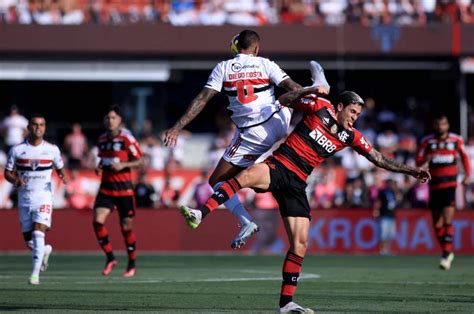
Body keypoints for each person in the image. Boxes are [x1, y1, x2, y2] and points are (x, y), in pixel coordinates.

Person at [180, 88, 430, 313]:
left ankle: (286, 303)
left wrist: (411, 171)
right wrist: (308, 90)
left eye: (358, 115)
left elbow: (379, 159)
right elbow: (284, 99)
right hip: (279, 166)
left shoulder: (351, 136)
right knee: (245, 176)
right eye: (353, 112)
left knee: (300, 244)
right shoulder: (319, 106)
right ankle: (202, 213)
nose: (355, 118)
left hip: (298, 184)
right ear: (340, 107)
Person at [163, 29, 330, 249]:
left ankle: (245, 221)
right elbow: (293, 89)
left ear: (236, 47)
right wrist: (307, 92)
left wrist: (177, 127)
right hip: (279, 122)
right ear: (256, 49)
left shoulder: (223, 68)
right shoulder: (265, 63)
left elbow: (202, 100)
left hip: (253, 134)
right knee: (289, 98)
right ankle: (317, 91)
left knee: (217, 181)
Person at [4, 113, 67, 285]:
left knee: (39, 231)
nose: (38, 127)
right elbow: (7, 173)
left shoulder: (52, 149)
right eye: (35, 124)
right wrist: (15, 180)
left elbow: (60, 167)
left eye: (42, 124)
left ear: (45, 128)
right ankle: (45, 250)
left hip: (44, 197)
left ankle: (35, 274)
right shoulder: (17, 150)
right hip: (24, 198)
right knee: (29, 240)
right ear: (28, 127)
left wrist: (63, 175)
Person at [92, 106, 144, 278]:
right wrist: (99, 168)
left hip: (124, 190)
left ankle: (132, 263)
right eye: (107, 118)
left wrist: (123, 165)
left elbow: (140, 161)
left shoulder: (127, 139)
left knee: (126, 228)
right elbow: (103, 160)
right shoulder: (101, 139)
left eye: (113, 117)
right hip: (106, 188)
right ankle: (110, 257)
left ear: (120, 120)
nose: (110, 120)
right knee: (97, 222)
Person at [416, 115, 471, 270]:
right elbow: (419, 160)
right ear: (435, 125)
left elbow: (464, 157)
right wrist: (425, 158)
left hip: (450, 185)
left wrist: (467, 174)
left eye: (444, 124)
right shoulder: (427, 141)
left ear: (447, 125)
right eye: (438, 124)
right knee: (437, 224)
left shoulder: (456, 140)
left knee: (447, 220)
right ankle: (447, 250)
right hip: (434, 186)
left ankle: (446, 254)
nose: (441, 127)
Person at [373, 178, 401, 255]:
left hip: (391, 216)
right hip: (384, 215)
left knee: (390, 235)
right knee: (384, 234)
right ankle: (382, 249)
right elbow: (378, 201)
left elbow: (396, 203)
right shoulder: (383, 192)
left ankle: (387, 249)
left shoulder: (395, 193)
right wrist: (376, 210)